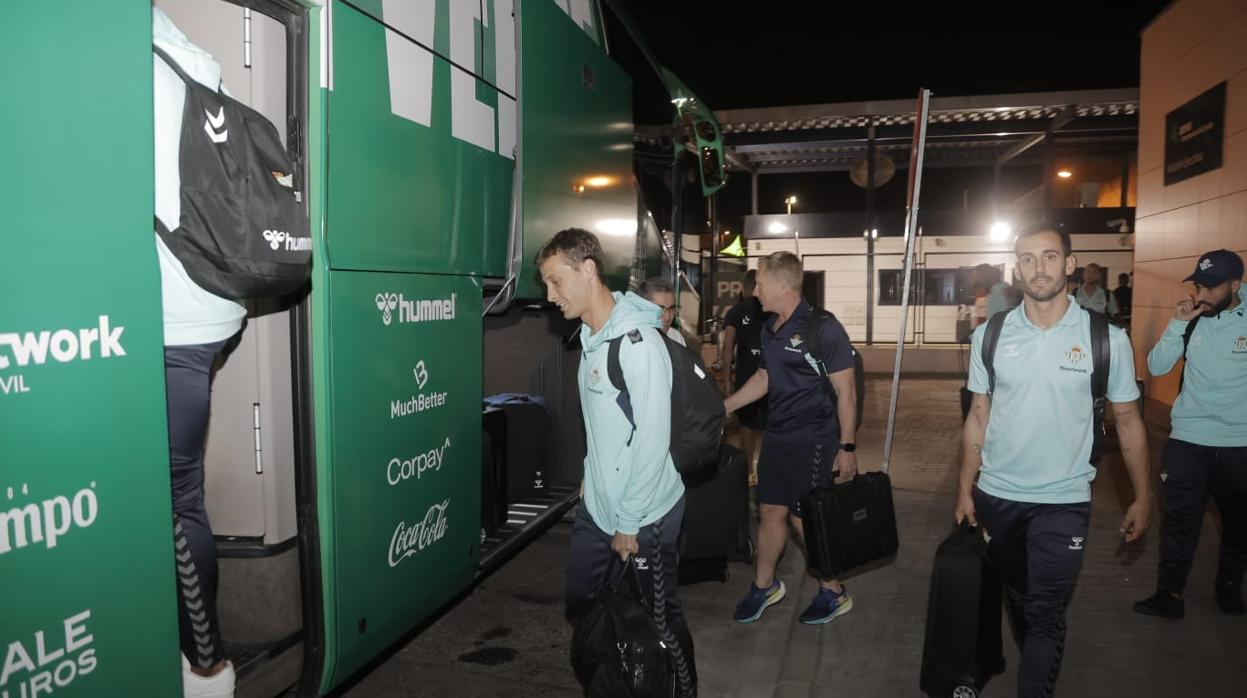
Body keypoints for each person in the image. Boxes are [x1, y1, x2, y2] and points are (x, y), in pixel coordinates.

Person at [957, 222, 1151, 698]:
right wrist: (964, 488)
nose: (1038, 268)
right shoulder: (990, 335)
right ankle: (1038, 656)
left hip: (1064, 500)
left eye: (1048, 257)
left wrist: (1144, 495)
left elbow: (1128, 421)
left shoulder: (1106, 339)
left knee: (1044, 611)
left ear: (1069, 264)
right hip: (998, 496)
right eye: (1027, 258)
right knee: (1019, 595)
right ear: (1016, 268)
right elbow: (978, 415)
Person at [539, 229, 696, 696]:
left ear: (588, 270)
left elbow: (652, 439)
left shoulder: (637, 344)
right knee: (584, 603)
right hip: (600, 508)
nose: (550, 295)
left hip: (645, 515)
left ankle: (682, 690)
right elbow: (602, 423)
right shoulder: (591, 334)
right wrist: (591, 476)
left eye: (556, 281)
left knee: (659, 620)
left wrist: (629, 521)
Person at [154, 8, 245, 696]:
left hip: (175, 317)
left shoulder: (131, 66)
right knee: (174, 489)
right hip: (213, 303)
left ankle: (207, 664)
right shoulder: (191, 57)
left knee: (175, 496)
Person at [724, 252, 858, 626]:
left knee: (804, 520)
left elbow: (846, 393)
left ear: (782, 285)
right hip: (777, 436)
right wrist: (726, 406)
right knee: (770, 511)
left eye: (760, 284)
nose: (755, 291)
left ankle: (833, 591)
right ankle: (764, 586)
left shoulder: (823, 328)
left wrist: (847, 448)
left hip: (814, 439)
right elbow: (765, 378)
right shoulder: (771, 327)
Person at [1134, 249, 1247, 619]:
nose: (1201, 295)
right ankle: (1170, 594)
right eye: (1199, 285)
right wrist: (1176, 324)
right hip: (1188, 440)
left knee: (1238, 524)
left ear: (1235, 284)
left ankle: (1229, 587)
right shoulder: (1192, 319)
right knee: (1179, 522)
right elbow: (1156, 366)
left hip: (1239, 444)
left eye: (1211, 287)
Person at [716, 270, 767, 485]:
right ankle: (765, 470)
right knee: (769, 425)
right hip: (770, 378)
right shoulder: (770, 310)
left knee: (747, 425)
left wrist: (727, 380)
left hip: (747, 378)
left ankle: (749, 472)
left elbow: (728, 347)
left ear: (744, 287)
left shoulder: (736, 311)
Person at [639, 277, 686, 346]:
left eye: (671, 309)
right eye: (660, 310)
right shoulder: (636, 341)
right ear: (643, 309)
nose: (667, 317)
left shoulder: (676, 337)